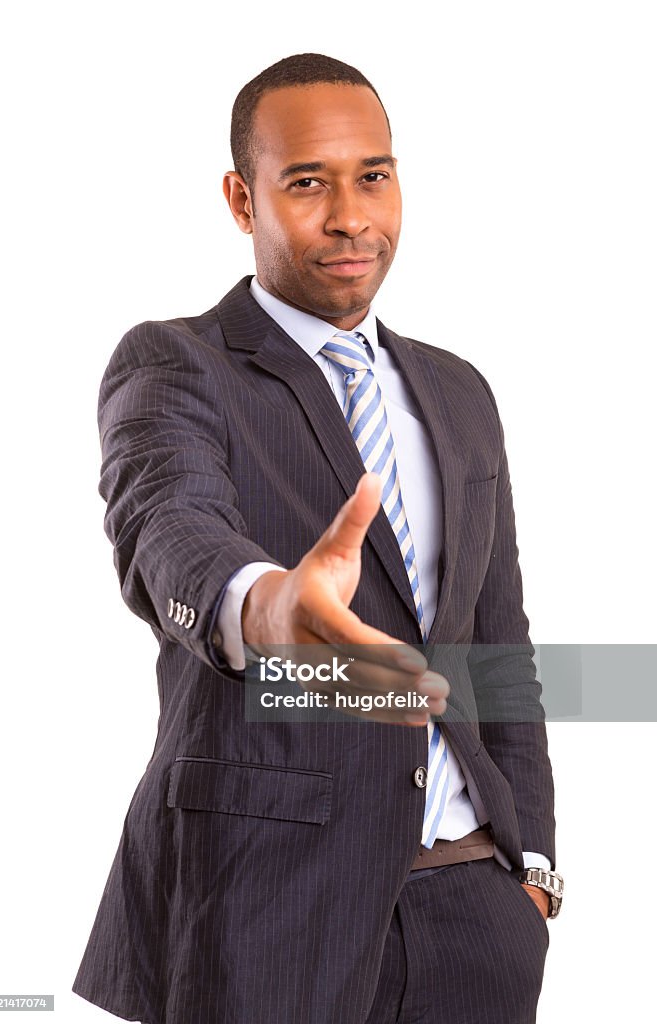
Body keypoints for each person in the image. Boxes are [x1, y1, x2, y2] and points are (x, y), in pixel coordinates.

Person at [72, 53, 562, 1024]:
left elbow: (497, 655)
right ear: (240, 197)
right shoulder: (176, 366)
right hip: (266, 915)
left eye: (372, 176)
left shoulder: (458, 394)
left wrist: (533, 874)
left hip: (474, 916)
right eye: (306, 183)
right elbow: (167, 524)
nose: (350, 216)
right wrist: (262, 607)